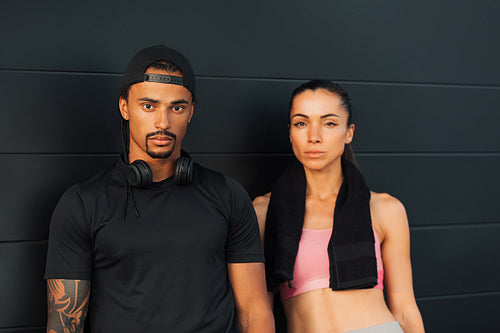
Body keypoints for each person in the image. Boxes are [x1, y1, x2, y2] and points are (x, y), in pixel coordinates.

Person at [45, 45, 274, 333]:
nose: (162, 123)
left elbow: (254, 312)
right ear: (125, 107)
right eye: (148, 106)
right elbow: (65, 324)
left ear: (191, 111)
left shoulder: (228, 196)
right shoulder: (82, 204)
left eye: (176, 107)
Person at [253, 79, 425, 333]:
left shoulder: (385, 209)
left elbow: (404, 308)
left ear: (349, 132)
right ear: (290, 132)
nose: (314, 136)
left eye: (329, 123)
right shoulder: (264, 212)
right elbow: (259, 313)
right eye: (302, 123)